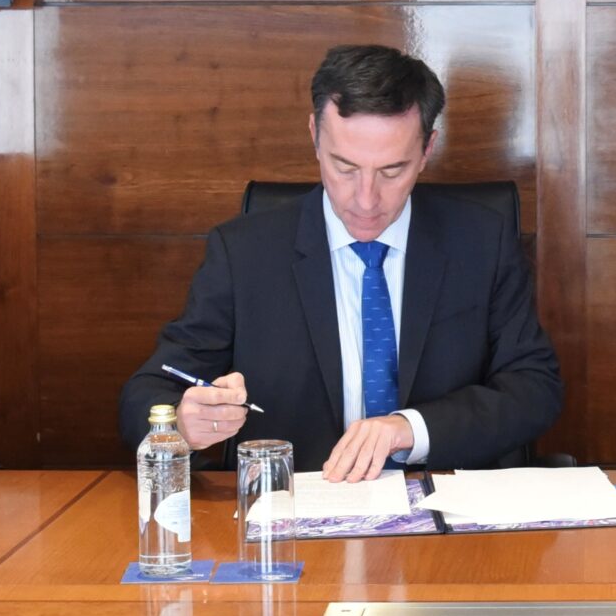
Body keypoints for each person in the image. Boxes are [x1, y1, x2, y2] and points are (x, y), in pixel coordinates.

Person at [115, 45, 561, 481]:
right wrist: (178, 428)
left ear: (427, 150)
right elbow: (149, 390)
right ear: (314, 137)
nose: (366, 200)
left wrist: (410, 429)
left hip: (445, 515)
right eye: (345, 167)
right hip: (297, 514)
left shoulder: (480, 240)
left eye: (392, 170)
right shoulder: (245, 253)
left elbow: (533, 386)